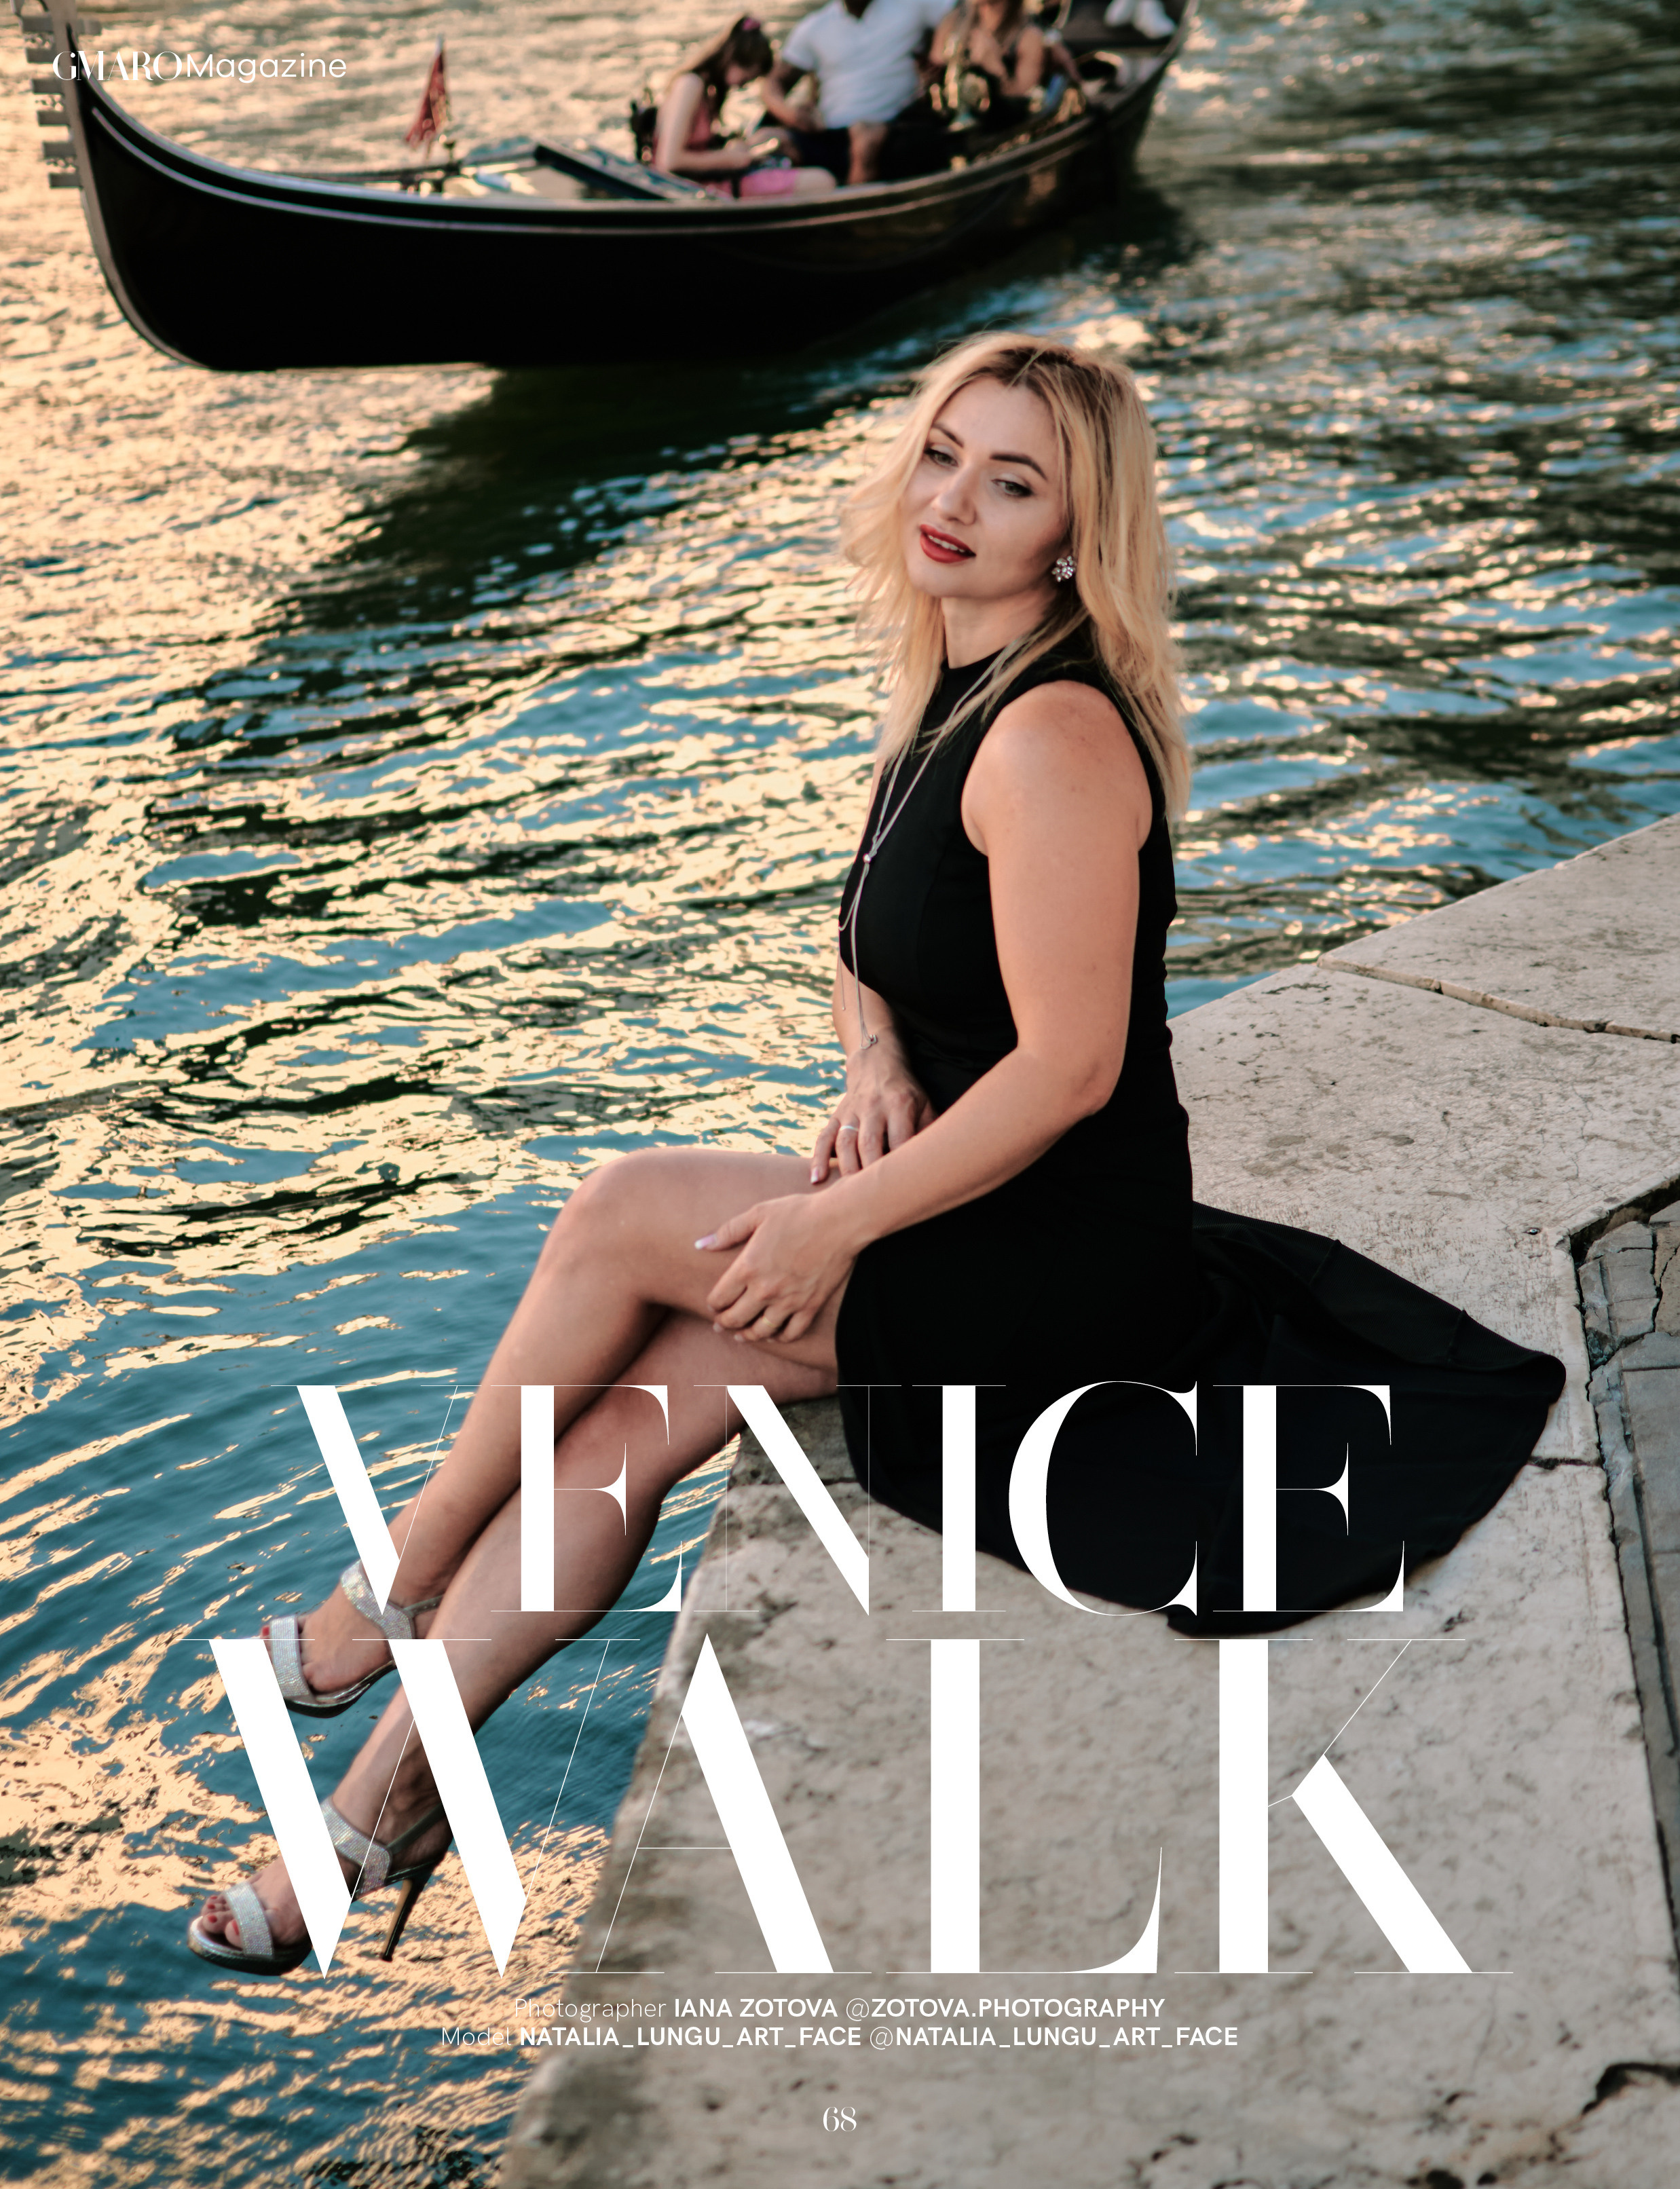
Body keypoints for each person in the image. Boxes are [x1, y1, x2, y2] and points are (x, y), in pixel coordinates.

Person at [187, 335, 1563, 1975]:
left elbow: (1071, 1069)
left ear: (1074, 529)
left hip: (1056, 1253)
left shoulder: (1053, 733)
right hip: (961, 1197)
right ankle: (377, 1808)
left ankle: (384, 1600)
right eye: (942, 453)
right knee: (638, 1418)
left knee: (623, 1212)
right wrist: (874, 1056)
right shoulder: (956, 673)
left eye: (1012, 481)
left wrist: (839, 1225)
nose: (953, 501)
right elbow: (865, 930)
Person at [758, 0, 950, 187]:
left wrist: (938, 50)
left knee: (865, 138)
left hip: (896, 129)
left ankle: (848, 210)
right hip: (834, 135)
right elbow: (774, 83)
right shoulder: (814, 27)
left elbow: (958, 8)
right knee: (767, 140)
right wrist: (790, 114)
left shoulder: (913, 5)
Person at [648, 14, 836, 198]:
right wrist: (733, 159)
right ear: (735, 59)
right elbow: (670, 161)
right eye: (749, 77)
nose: (746, 85)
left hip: (709, 180)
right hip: (697, 188)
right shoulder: (690, 85)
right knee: (823, 181)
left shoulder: (707, 91)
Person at [930, 0, 1046, 124]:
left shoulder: (1029, 37)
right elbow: (933, 77)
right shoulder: (952, 24)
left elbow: (1025, 104)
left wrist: (997, 69)